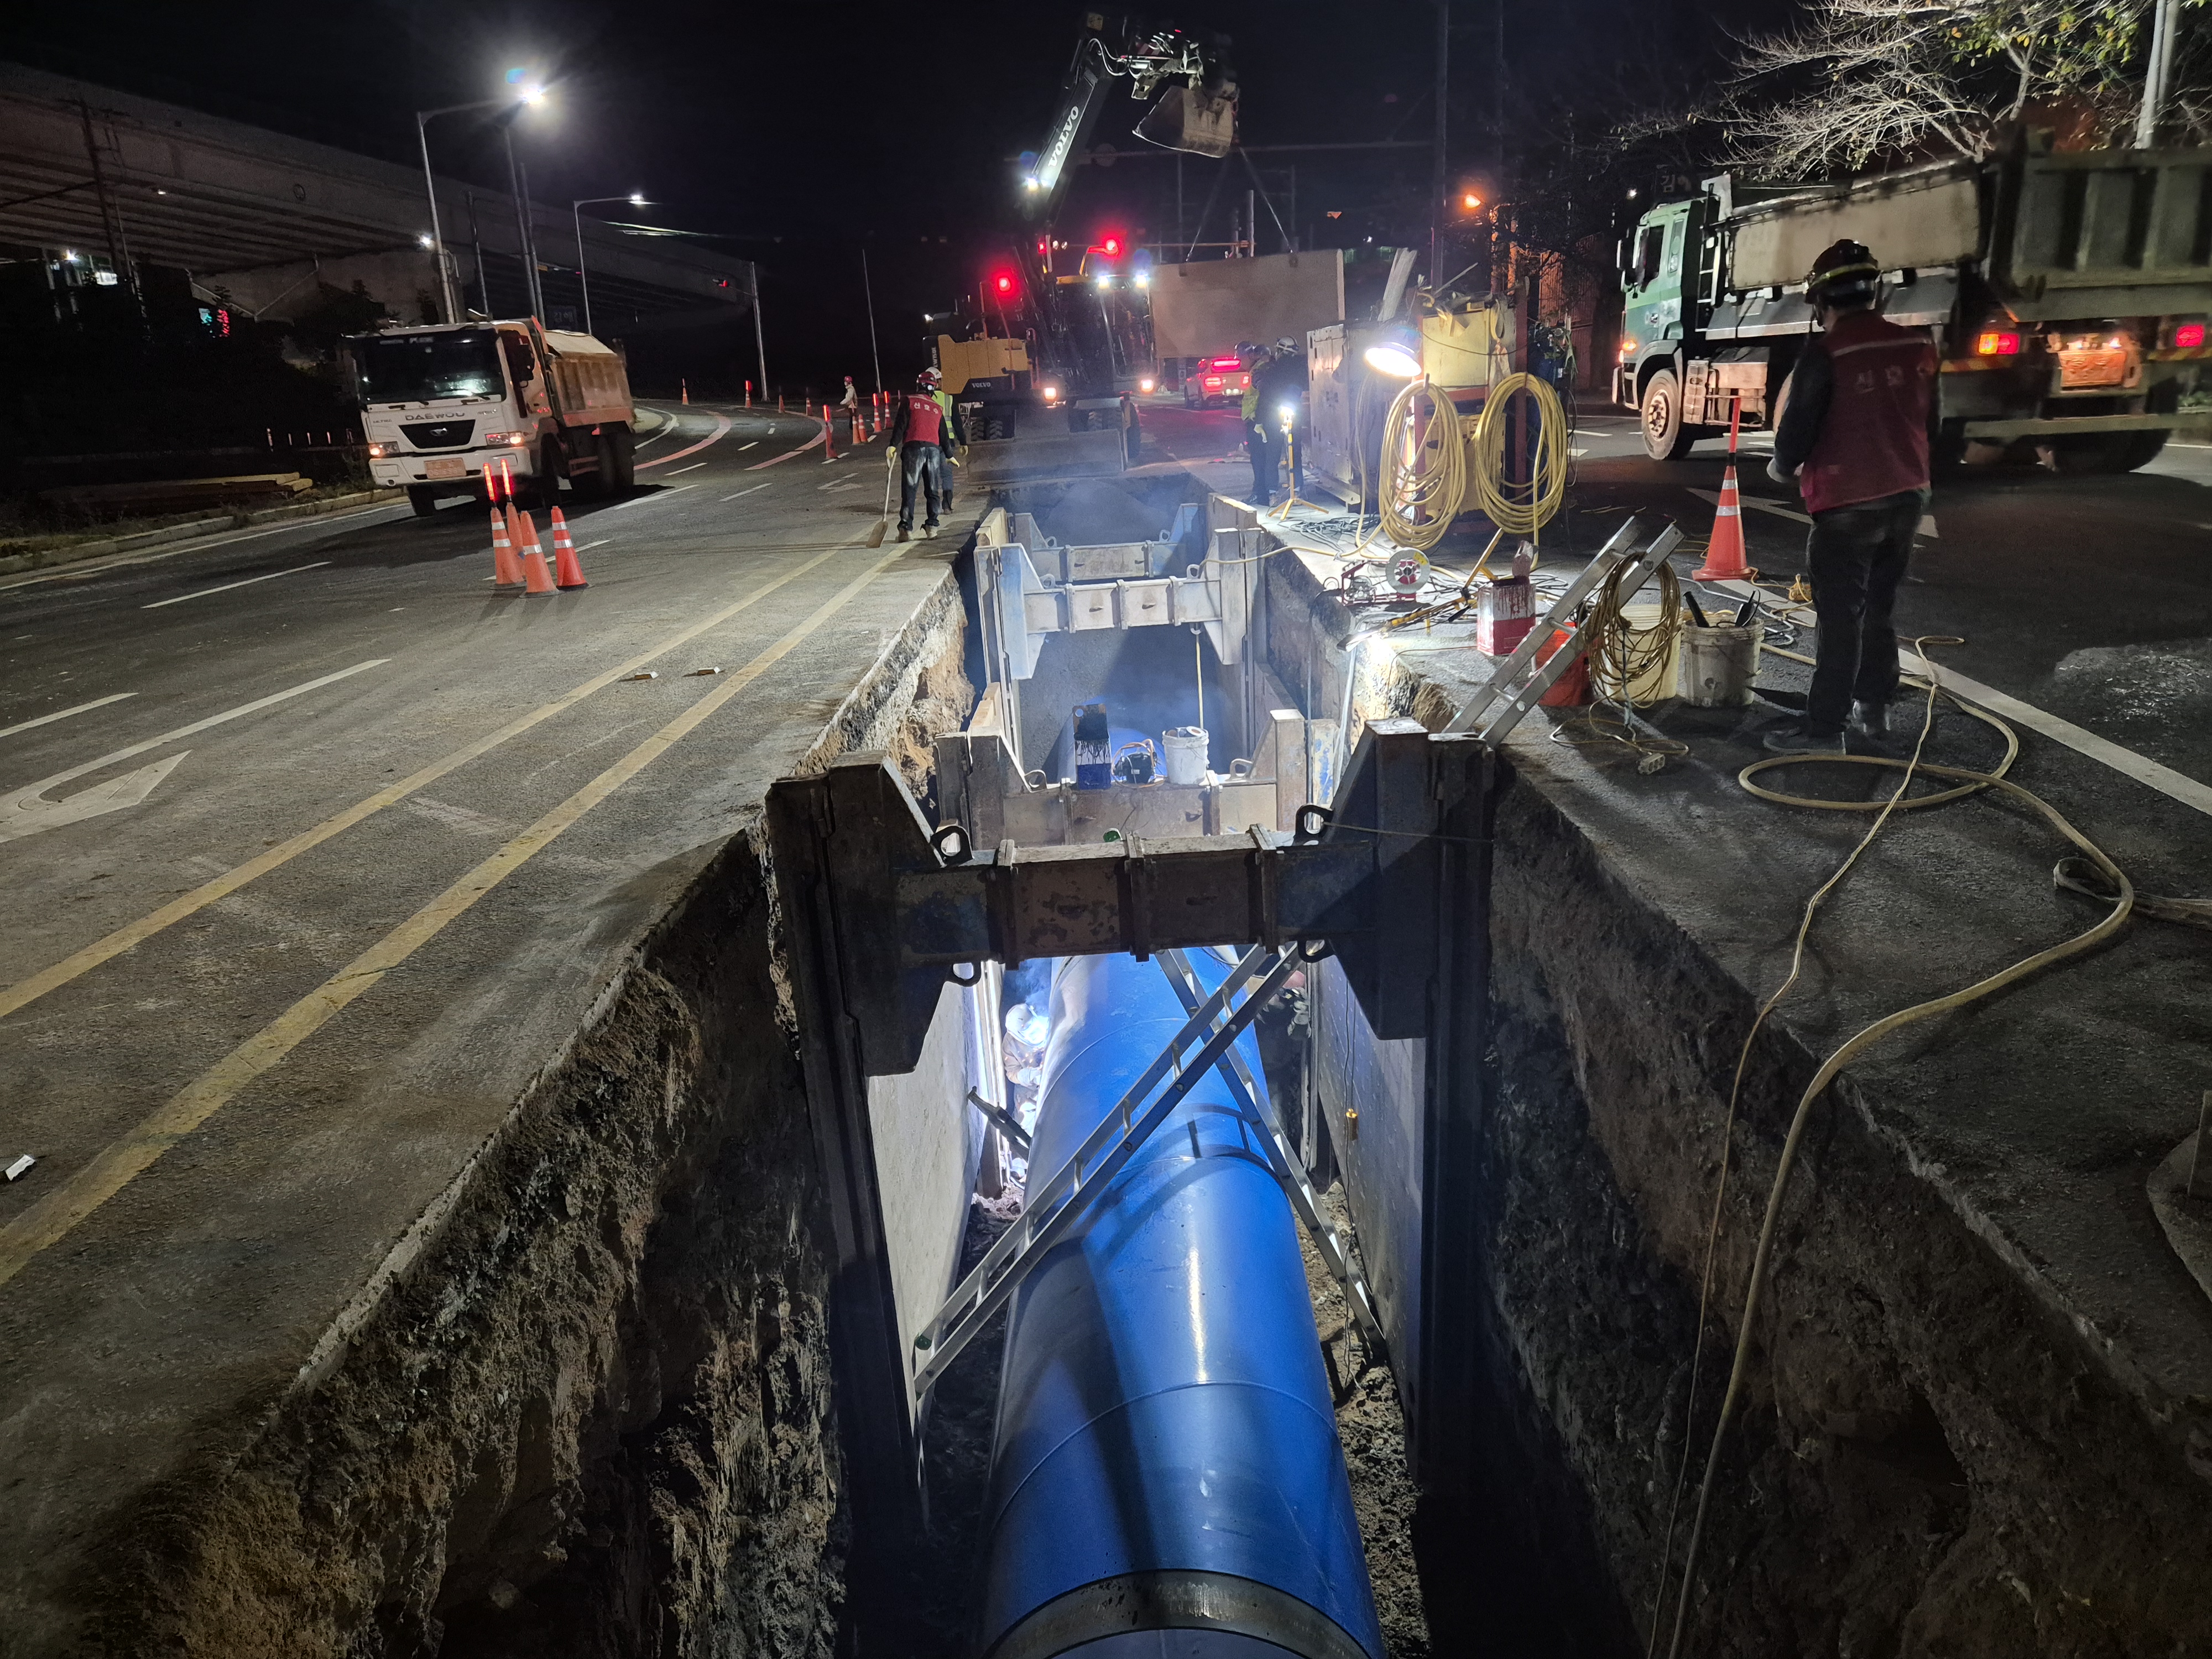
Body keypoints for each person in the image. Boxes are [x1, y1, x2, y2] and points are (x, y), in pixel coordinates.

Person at [1764, 239, 1937, 755]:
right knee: (1879, 610)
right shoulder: (1918, 347)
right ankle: (1874, 712)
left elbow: (1799, 425)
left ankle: (1823, 731)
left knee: (1840, 620)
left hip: (1846, 505)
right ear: (1876, 294)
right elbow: (1934, 426)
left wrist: (1782, 465)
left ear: (1820, 304)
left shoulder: (1826, 352)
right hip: (1908, 497)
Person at [889, 367, 964, 540]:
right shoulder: (937, 407)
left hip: (913, 449)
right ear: (933, 387)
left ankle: (906, 528)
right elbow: (944, 434)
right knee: (932, 489)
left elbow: (900, 425)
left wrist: (892, 446)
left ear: (919, 386)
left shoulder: (909, 400)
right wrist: (949, 454)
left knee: (910, 489)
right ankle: (932, 526)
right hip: (933, 450)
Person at [1255, 334, 1308, 500]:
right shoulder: (1301, 368)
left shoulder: (1272, 370)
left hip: (1273, 417)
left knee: (1273, 454)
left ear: (1279, 350)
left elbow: (1264, 397)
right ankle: (1298, 490)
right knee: (1295, 452)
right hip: (1295, 415)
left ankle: (1273, 493)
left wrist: (1259, 421)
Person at [1238, 341, 1276, 504]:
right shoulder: (1262, 369)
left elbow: (1265, 394)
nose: (1241, 362)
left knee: (1259, 459)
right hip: (1259, 420)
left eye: (1241, 358)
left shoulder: (1258, 372)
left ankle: (1261, 494)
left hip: (1257, 423)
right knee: (1263, 459)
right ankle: (1264, 493)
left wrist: (1259, 420)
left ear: (1250, 356)